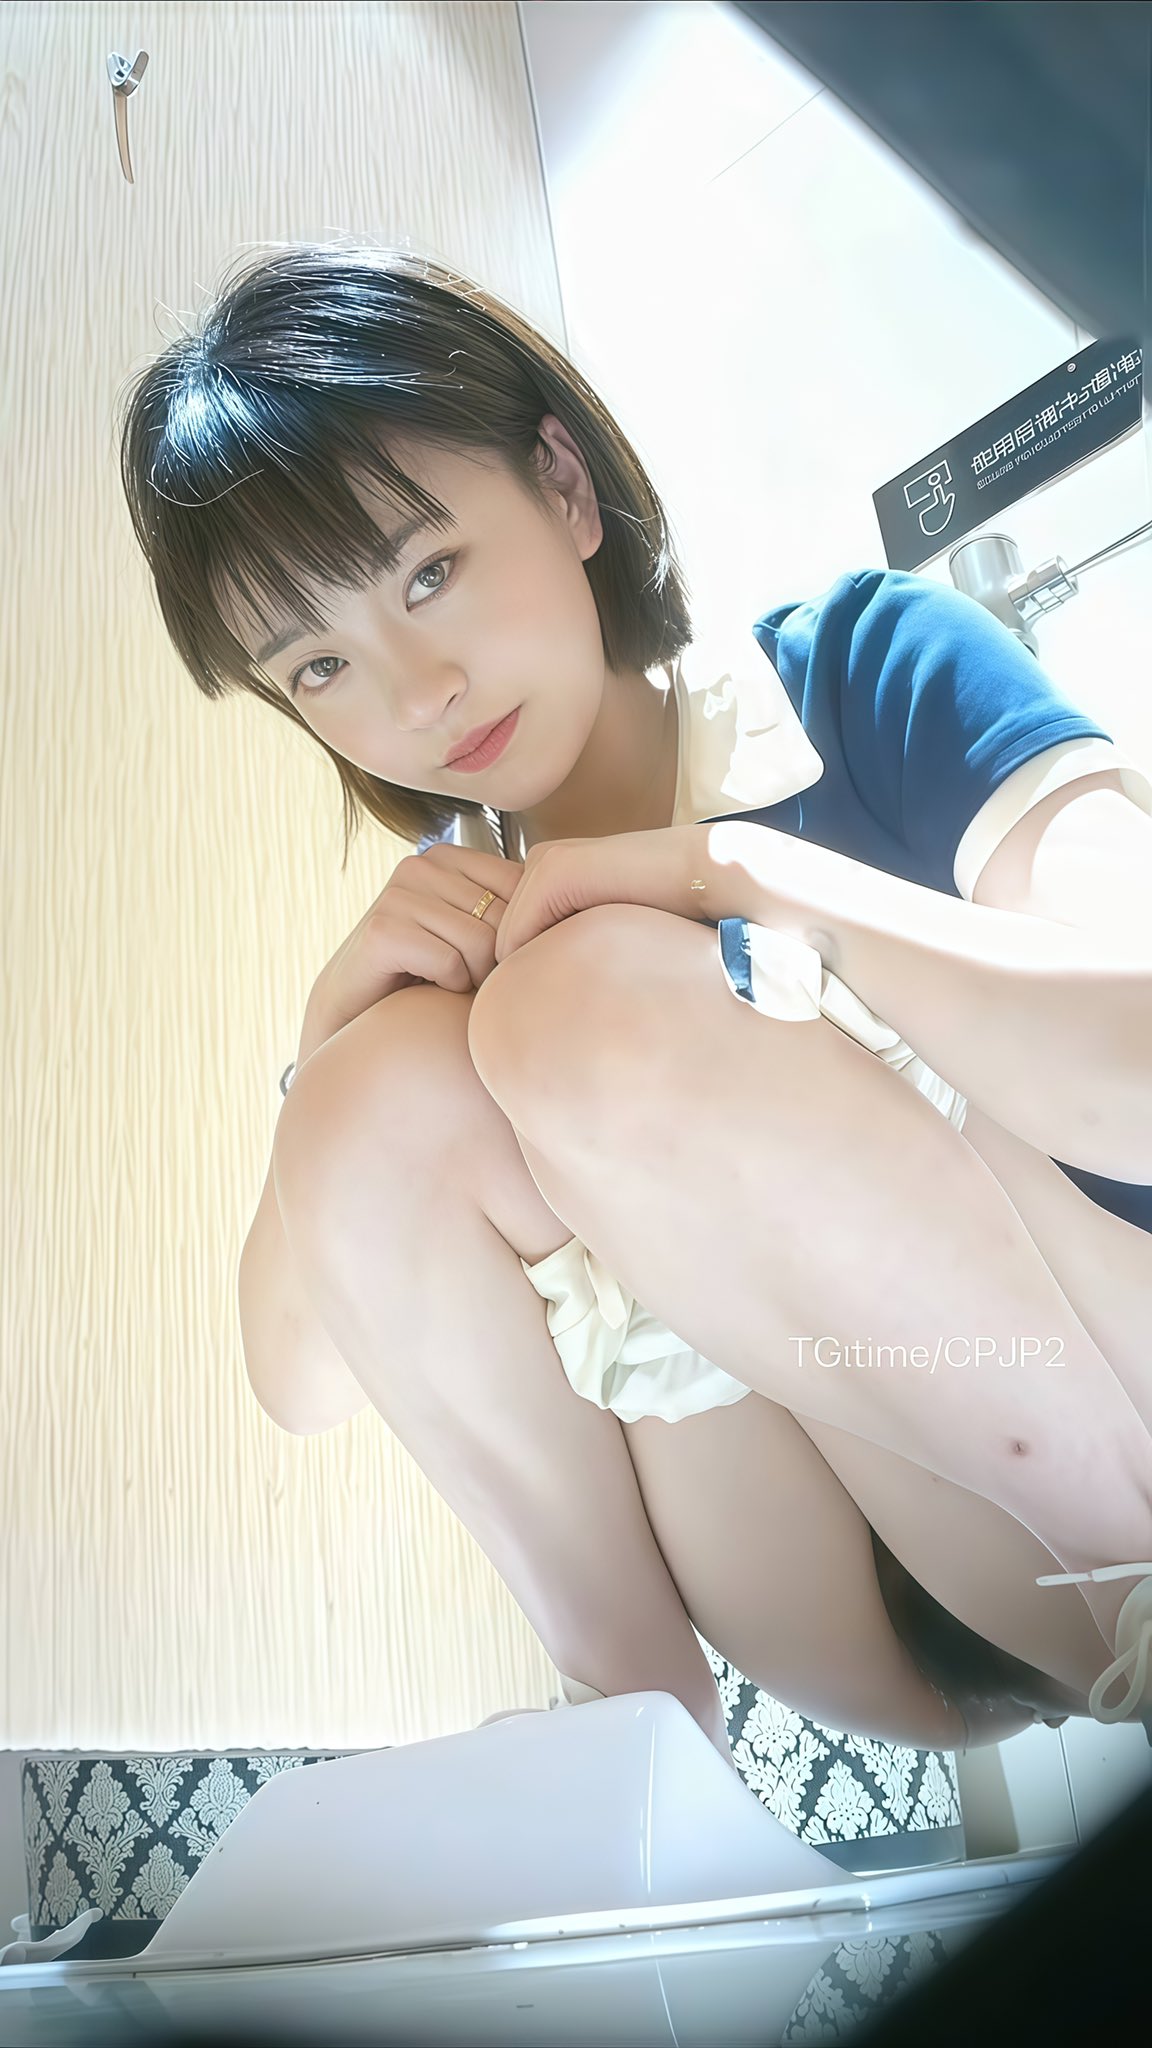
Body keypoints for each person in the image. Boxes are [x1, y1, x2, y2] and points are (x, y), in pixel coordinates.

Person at [117, 239, 1152, 1765]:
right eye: (320, 665)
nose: (416, 694)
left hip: (1106, 1412)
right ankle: (638, 1755)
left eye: (429, 574)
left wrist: (734, 878)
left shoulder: (861, 669)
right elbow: (302, 1383)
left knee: (579, 1007)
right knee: (382, 1082)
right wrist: (323, 1042)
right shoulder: (465, 939)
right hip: (866, 1616)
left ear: (563, 484)